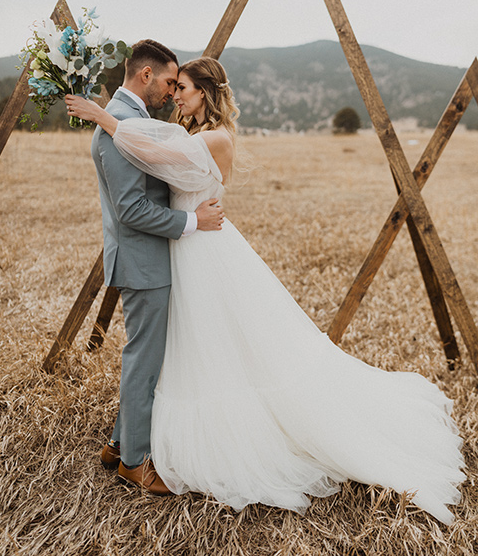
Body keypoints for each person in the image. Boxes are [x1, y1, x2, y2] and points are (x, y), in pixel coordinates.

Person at [66, 56, 465, 524]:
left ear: (207, 93)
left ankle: (154, 443)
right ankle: (131, 441)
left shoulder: (215, 138)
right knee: (187, 348)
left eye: (185, 88)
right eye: (174, 88)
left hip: (203, 249)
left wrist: (103, 116)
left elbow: (153, 155)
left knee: (219, 347)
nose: (177, 95)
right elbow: (152, 155)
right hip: (188, 247)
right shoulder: (192, 133)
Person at [84, 41, 224, 496]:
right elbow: (130, 209)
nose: (170, 93)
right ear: (145, 75)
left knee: (146, 356)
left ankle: (120, 442)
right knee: (144, 360)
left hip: (150, 258)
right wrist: (192, 220)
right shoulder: (119, 124)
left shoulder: (124, 120)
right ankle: (134, 462)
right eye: (168, 82)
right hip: (144, 260)